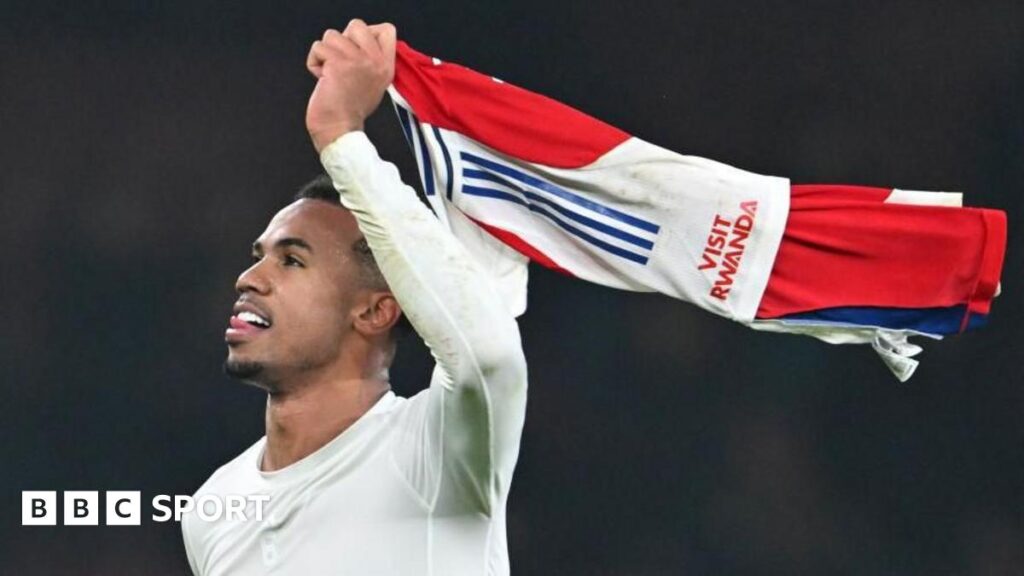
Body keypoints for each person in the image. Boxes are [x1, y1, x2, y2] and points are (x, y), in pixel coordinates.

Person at [181, 19, 528, 575]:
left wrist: (340, 138)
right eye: (259, 254)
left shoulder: (436, 451)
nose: (250, 278)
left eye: (292, 260)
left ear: (374, 310)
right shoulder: (210, 511)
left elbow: (487, 352)